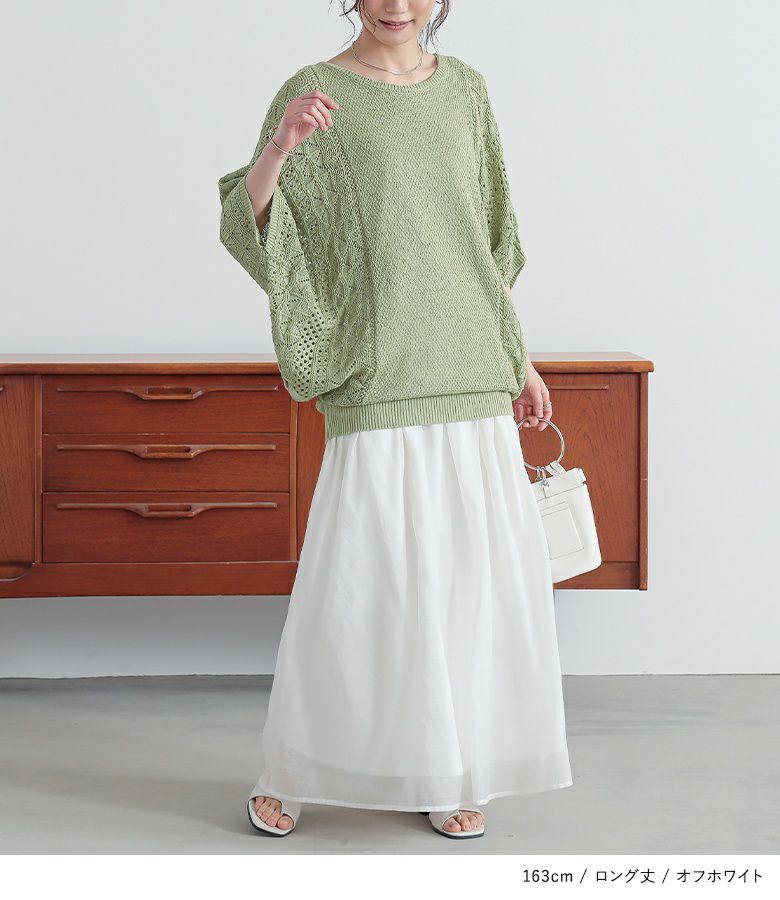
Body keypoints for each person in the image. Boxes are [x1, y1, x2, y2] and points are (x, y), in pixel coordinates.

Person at [217, 0, 572, 840]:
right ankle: (292, 771)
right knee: (356, 589)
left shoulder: (468, 91)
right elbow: (251, 224)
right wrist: (280, 148)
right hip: (379, 373)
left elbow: (490, 243)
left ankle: (449, 770)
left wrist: (518, 360)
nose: (397, 4)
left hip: (470, 369)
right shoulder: (314, 90)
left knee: (465, 589)